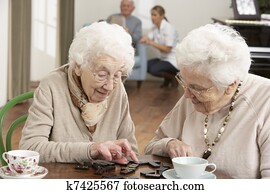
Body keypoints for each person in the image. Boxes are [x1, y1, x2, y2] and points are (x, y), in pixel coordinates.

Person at [144, 23, 270, 178]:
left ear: (230, 86)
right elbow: (150, 148)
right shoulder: (191, 97)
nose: (187, 95)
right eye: (184, 82)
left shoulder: (265, 102)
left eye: (198, 88)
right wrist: (168, 144)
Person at [20, 22, 138, 164]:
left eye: (117, 75)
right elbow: (31, 148)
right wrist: (91, 150)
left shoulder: (117, 88)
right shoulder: (51, 86)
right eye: (101, 75)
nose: (110, 86)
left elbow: (131, 150)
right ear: (78, 67)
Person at [140, 5, 179, 88]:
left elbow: (167, 49)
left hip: (173, 60)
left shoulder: (169, 28)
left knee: (154, 69)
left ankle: (173, 77)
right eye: (151, 15)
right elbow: (147, 37)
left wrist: (151, 42)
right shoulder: (155, 27)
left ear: (162, 16)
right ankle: (168, 78)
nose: (152, 17)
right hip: (163, 59)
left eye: (155, 15)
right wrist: (143, 39)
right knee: (144, 65)